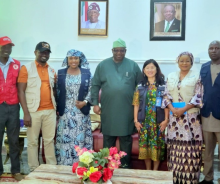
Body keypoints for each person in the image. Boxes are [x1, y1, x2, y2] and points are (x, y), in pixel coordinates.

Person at [91, 38, 142, 168]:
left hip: (127, 110)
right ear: (112, 51)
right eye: (116, 50)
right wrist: (96, 104)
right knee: (108, 139)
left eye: (122, 50)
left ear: (125, 51)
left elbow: (140, 86)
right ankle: (107, 166)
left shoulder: (133, 66)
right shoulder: (103, 65)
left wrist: (140, 106)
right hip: (108, 109)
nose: (119, 53)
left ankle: (125, 167)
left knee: (126, 139)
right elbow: (95, 85)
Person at [162, 52, 203, 184]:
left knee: (190, 150)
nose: (184, 63)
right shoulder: (171, 76)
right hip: (174, 119)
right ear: (177, 62)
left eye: (187, 61)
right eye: (181, 61)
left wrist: (183, 110)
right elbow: (166, 95)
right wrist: (174, 110)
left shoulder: (196, 76)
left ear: (191, 62)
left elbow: (198, 96)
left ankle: (190, 180)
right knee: (175, 149)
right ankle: (174, 179)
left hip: (191, 118)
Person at [18, 42, 57, 171]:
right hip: (33, 111)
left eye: (47, 52)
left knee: (49, 141)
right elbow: (21, 91)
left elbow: (54, 91)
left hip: (50, 111)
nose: (44, 54)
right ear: (35, 52)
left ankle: (51, 169)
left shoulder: (51, 70)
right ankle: (34, 169)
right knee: (33, 142)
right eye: (41, 52)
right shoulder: (26, 68)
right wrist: (26, 113)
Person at [55, 49, 93, 165]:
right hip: (65, 113)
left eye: (76, 58)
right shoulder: (61, 73)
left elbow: (92, 90)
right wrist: (57, 108)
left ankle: (81, 165)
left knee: (80, 141)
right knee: (64, 141)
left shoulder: (87, 73)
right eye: (71, 58)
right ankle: (64, 165)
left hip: (81, 113)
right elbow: (56, 91)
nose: (73, 61)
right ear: (67, 60)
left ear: (80, 60)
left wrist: (85, 102)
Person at [133, 59, 169, 170]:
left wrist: (166, 120)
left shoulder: (163, 85)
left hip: (158, 122)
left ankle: (155, 171)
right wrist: (136, 121)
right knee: (145, 147)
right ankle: (148, 171)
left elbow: (166, 103)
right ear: (144, 70)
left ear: (156, 69)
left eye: (152, 67)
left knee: (157, 147)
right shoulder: (140, 85)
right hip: (144, 122)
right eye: (147, 68)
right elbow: (136, 104)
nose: (150, 70)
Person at [0, 36, 24, 181]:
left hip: (13, 106)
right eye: (4, 47)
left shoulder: (17, 64)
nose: (6, 50)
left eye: (9, 47)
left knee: (14, 140)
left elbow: (20, 87)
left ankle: (16, 170)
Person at [199, 40, 220, 184]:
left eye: (217, 48)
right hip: (207, 114)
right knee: (207, 152)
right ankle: (208, 178)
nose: (213, 50)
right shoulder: (204, 67)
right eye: (211, 48)